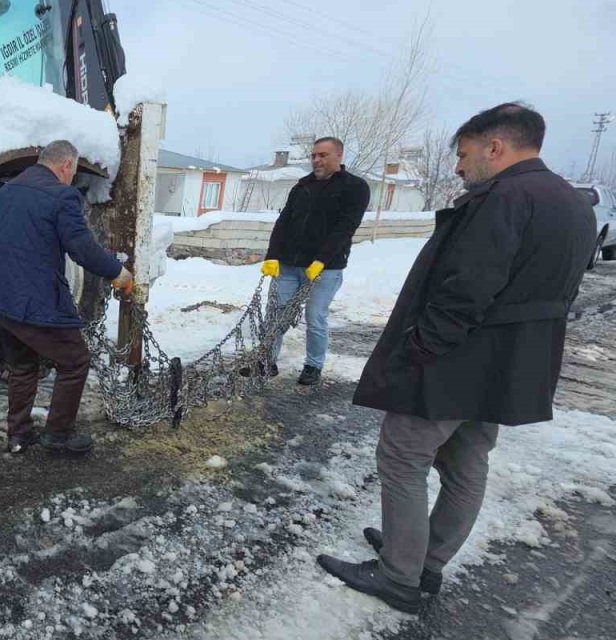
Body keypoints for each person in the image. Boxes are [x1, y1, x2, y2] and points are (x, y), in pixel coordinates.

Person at [317, 103, 596, 614]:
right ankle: (427, 560)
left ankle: (399, 576)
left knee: (402, 457)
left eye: (465, 155)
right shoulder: (574, 202)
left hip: (457, 357)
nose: (459, 167)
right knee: (467, 462)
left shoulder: (503, 198)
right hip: (511, 364)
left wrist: (420, 348)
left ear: (496, 147)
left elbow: (467, 286)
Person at [0, 140, 134, 456]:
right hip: (29, 301)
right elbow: (82, 248)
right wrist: (119, 273)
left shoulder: (10, 189)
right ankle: (58, 435)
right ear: (66, 166)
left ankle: (18, 435)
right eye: (73, 172)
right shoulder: (62, 195)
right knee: (75, 362)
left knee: (23, 365)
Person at [245, 137, 370, 385]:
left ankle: (313, 365)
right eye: (314, 155)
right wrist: (272, 256)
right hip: (290, 264)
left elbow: (346, 228)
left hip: (325, 269)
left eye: (323, 155)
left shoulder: (354, 187)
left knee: (315, 317)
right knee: (275, 314)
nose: (316, 160)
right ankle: (267, 362)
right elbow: (284, 223)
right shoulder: (302, 186)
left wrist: (322, 260)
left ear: (339, 156)